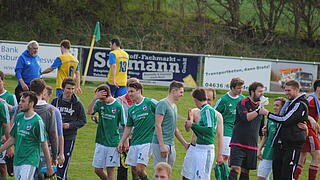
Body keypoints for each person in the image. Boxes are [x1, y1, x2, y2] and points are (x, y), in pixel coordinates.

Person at [260, 80, 308, 180]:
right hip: (281, 144)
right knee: (277, 175)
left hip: (292, 145)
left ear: (296, 90)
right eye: (285, 90)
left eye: (288, 90)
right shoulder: (290, 103)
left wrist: (267, 114)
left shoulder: (299, 104)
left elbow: (285, 119)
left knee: (287, 175)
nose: (286, 93)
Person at [0, 91, 54, 179]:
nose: (20, 103)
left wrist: (49, 166)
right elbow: (12, 139)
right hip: (17, 159)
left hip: (30, 160)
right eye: (20, 101)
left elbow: (44, 144)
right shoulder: (19, 117)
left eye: (23, 101)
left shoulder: (37, 121)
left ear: (31, 103)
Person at [117, 82, 158, 180]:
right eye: (128, 92)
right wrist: (122, 141)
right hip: (135, 142)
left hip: (147, 142)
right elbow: (128, 127)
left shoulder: (150, 102)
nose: (130, 94)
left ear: (139, 91)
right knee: (134, 171)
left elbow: (164, 110)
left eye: (132, 91)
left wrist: (160, 127)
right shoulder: (132, 109)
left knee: (140, 169)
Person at [182, 88, 224, 180]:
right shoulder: (195, 111)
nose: (207, 101)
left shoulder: (212, 112)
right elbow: (188, 129)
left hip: (205, 149)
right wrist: (189, 122)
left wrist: (220, 154)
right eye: (206, 98)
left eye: (209, 99)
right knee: (187, 177)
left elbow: (213, 132)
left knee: (201, 177)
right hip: (195, 148)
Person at [51, 78, 87, 180]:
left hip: (69, 136)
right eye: (68, 88)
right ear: (62, 88)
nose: (70, 91)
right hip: (55, 136)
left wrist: (70, 125)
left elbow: (83, 121)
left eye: (72, 89)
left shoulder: (77, 104)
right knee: (53, 159)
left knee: (64, 161)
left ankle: (61, 177)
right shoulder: (55, 101)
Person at [88, 84, 125, 180]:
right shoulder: (99, 103)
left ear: (107, 95)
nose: (100, 100)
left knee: (110, 170)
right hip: (100, 141)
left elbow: (124, 125)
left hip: (113, 143)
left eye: (101, 98)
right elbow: (89, 112)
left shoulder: (117, 106)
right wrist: (94, 99)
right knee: (97, 170)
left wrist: (124, 141)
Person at [228, 82, 265, 180]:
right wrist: (258, 111)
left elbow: (262, 130)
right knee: (235, 168)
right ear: (252, 92)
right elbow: (245, 118)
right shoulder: (243, 102)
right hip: (238, 143)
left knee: (246, 171)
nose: (262, 94)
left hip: (252, 145)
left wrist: (262, 147)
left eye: (263, 92)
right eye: (259, 91)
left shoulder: (261, 108)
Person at [153, 81, 188, 168]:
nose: (182, 95)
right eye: (181, 92)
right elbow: (158, 125)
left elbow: (175, 129)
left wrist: (185, 144)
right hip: (161, 144)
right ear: (173, 91)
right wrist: (162, 146)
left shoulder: (175, 106)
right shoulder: (163, 104)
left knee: (168, 172)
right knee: (161, 172)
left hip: (171, 144)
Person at [29, 78, 58, 180]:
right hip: (43, 151)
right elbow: (53, 134)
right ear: (44, 90)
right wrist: (54, 155)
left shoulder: (23, 107)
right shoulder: (50, 110)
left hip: (25, 150)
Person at [214, 77, 245, 164]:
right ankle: (220, 174)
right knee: (225, 156)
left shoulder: (243, 99)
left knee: (233, 157)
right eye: (238, 88)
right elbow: (214, 113)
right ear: (232, 88)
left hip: (238, 131)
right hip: (226, 130)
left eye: (242, 88)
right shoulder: (224, 99)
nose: (241, 90)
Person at [294, 79, 320, 180]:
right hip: (307, 131)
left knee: (302, 158)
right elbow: (300, 109)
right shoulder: (310, 98)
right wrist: (310, 118)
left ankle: (293, 178)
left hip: (309, 131)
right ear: (318, 88)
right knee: (317, 157)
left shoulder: (317, 100)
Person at [116, 78, 140, 180]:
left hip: (137, 138)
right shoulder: (119, 102)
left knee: (136, 168)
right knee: (123, 166)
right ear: (127, 88)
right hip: (123, 137)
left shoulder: (141, 101)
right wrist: (125, 140)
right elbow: (121, 123)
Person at [257, 97, 286, 180]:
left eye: (277, 105)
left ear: (283, 107)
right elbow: (266, 136)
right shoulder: (270, 118)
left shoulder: (286, 120)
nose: (274, 107)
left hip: (279, 155)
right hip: (267, 154)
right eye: (274, 105)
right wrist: (259, 149)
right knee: (260, 178)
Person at [43, 85, 65, 167]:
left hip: (49, 149)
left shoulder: (54, 111)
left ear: (49, 96)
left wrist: (61, 153)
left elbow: (59, 134)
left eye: (44, 95)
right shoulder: (32, 107)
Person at [0, 71, 15, 178]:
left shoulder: (9, 97)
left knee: (2, 167)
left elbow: (14, 117)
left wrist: (8, 136)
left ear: (3, 81)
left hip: (4, 137)